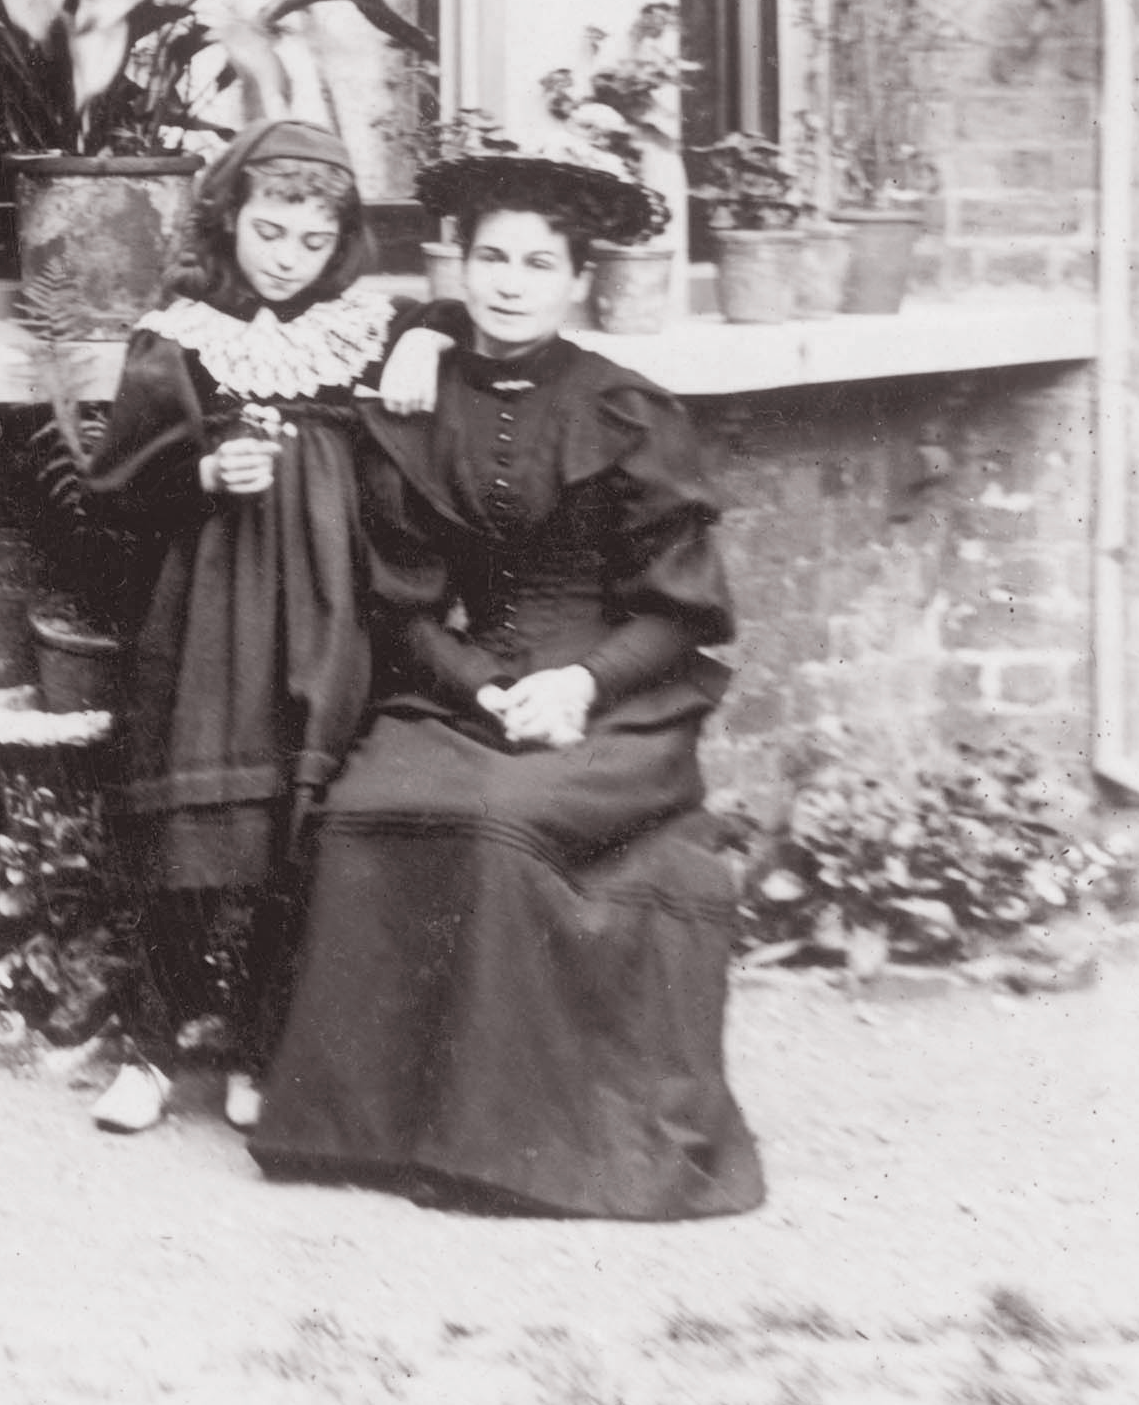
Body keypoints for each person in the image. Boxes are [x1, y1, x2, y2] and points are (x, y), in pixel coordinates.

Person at [250, 151, 766, 1219]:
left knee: (494, 820)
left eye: (539, 262)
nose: (511, 282)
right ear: (461, 265)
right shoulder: (419, 383)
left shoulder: (625, 412)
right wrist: (481, 687)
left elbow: (678, 613)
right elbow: (400, 601)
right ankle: (366, 1134)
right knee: (365, 809)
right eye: (491, 258)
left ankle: (509, 1145)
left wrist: (578, 682)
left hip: (614, 700)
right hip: (463, 684)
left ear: (577, 280)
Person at [72, 116, 397, 1136]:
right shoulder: (180, 340)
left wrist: (425, 336)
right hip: (207, 603)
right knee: (188, 818)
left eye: (312, 241)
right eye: (270, 230)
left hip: (324, 605)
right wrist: (205, 470)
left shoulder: (359, 336)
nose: (288, 257)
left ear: (339, 242)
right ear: (230, 219)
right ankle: (153, 1043)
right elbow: (116, 488)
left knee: (294, 826)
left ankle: (262, 1042)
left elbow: (406, 456)